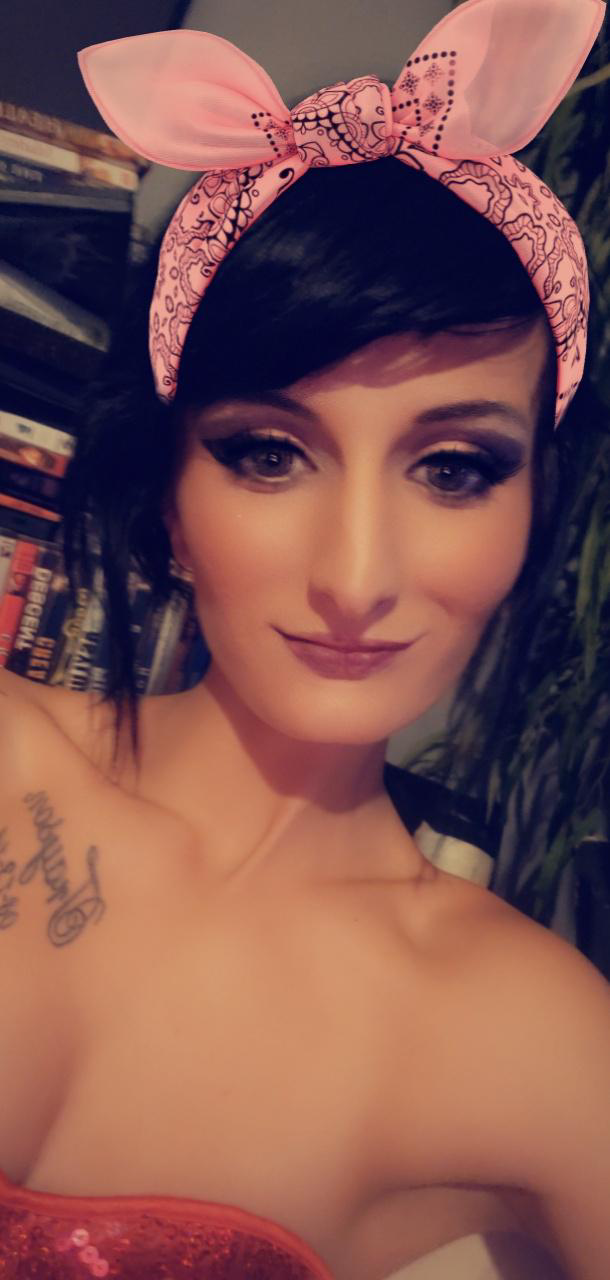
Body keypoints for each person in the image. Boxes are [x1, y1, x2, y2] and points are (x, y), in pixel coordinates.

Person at [0, 3, 608, 1279]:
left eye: (453, 468)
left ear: (531, 515)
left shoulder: (531, 1036)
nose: (354, 575)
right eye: (269, 453)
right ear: (170, 494)